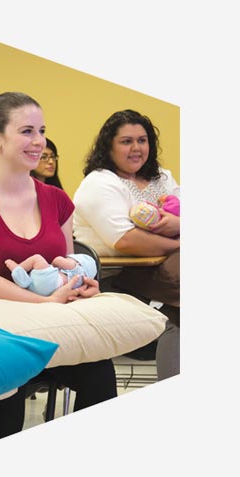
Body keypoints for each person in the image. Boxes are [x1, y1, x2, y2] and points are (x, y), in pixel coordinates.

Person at [0, 92, 117, 444]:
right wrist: (46, 303)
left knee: (100, 370)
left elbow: (65, 269)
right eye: (26, 131)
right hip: (3, 331)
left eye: (41, 130)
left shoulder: (57, 199)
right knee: (4, 380)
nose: (38, 141)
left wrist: (80, 286)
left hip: (56, 325)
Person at [72, 109, 181, 380]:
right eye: (126, 141)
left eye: (142, 140)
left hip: (154, 270)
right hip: (111, 276)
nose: (136, 148)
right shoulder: (99, 182)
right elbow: (126, 240)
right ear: (108, 146)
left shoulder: (161, 177)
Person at [6, 253, 97, 297]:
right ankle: (24, 279)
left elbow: (57, 260)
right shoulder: (81, 283)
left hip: (50, 281)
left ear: (78, 262)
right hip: (50, 292)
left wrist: (54, 265)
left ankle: (18, 271)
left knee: (37, 259)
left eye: (69, 258)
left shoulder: (78, 270)